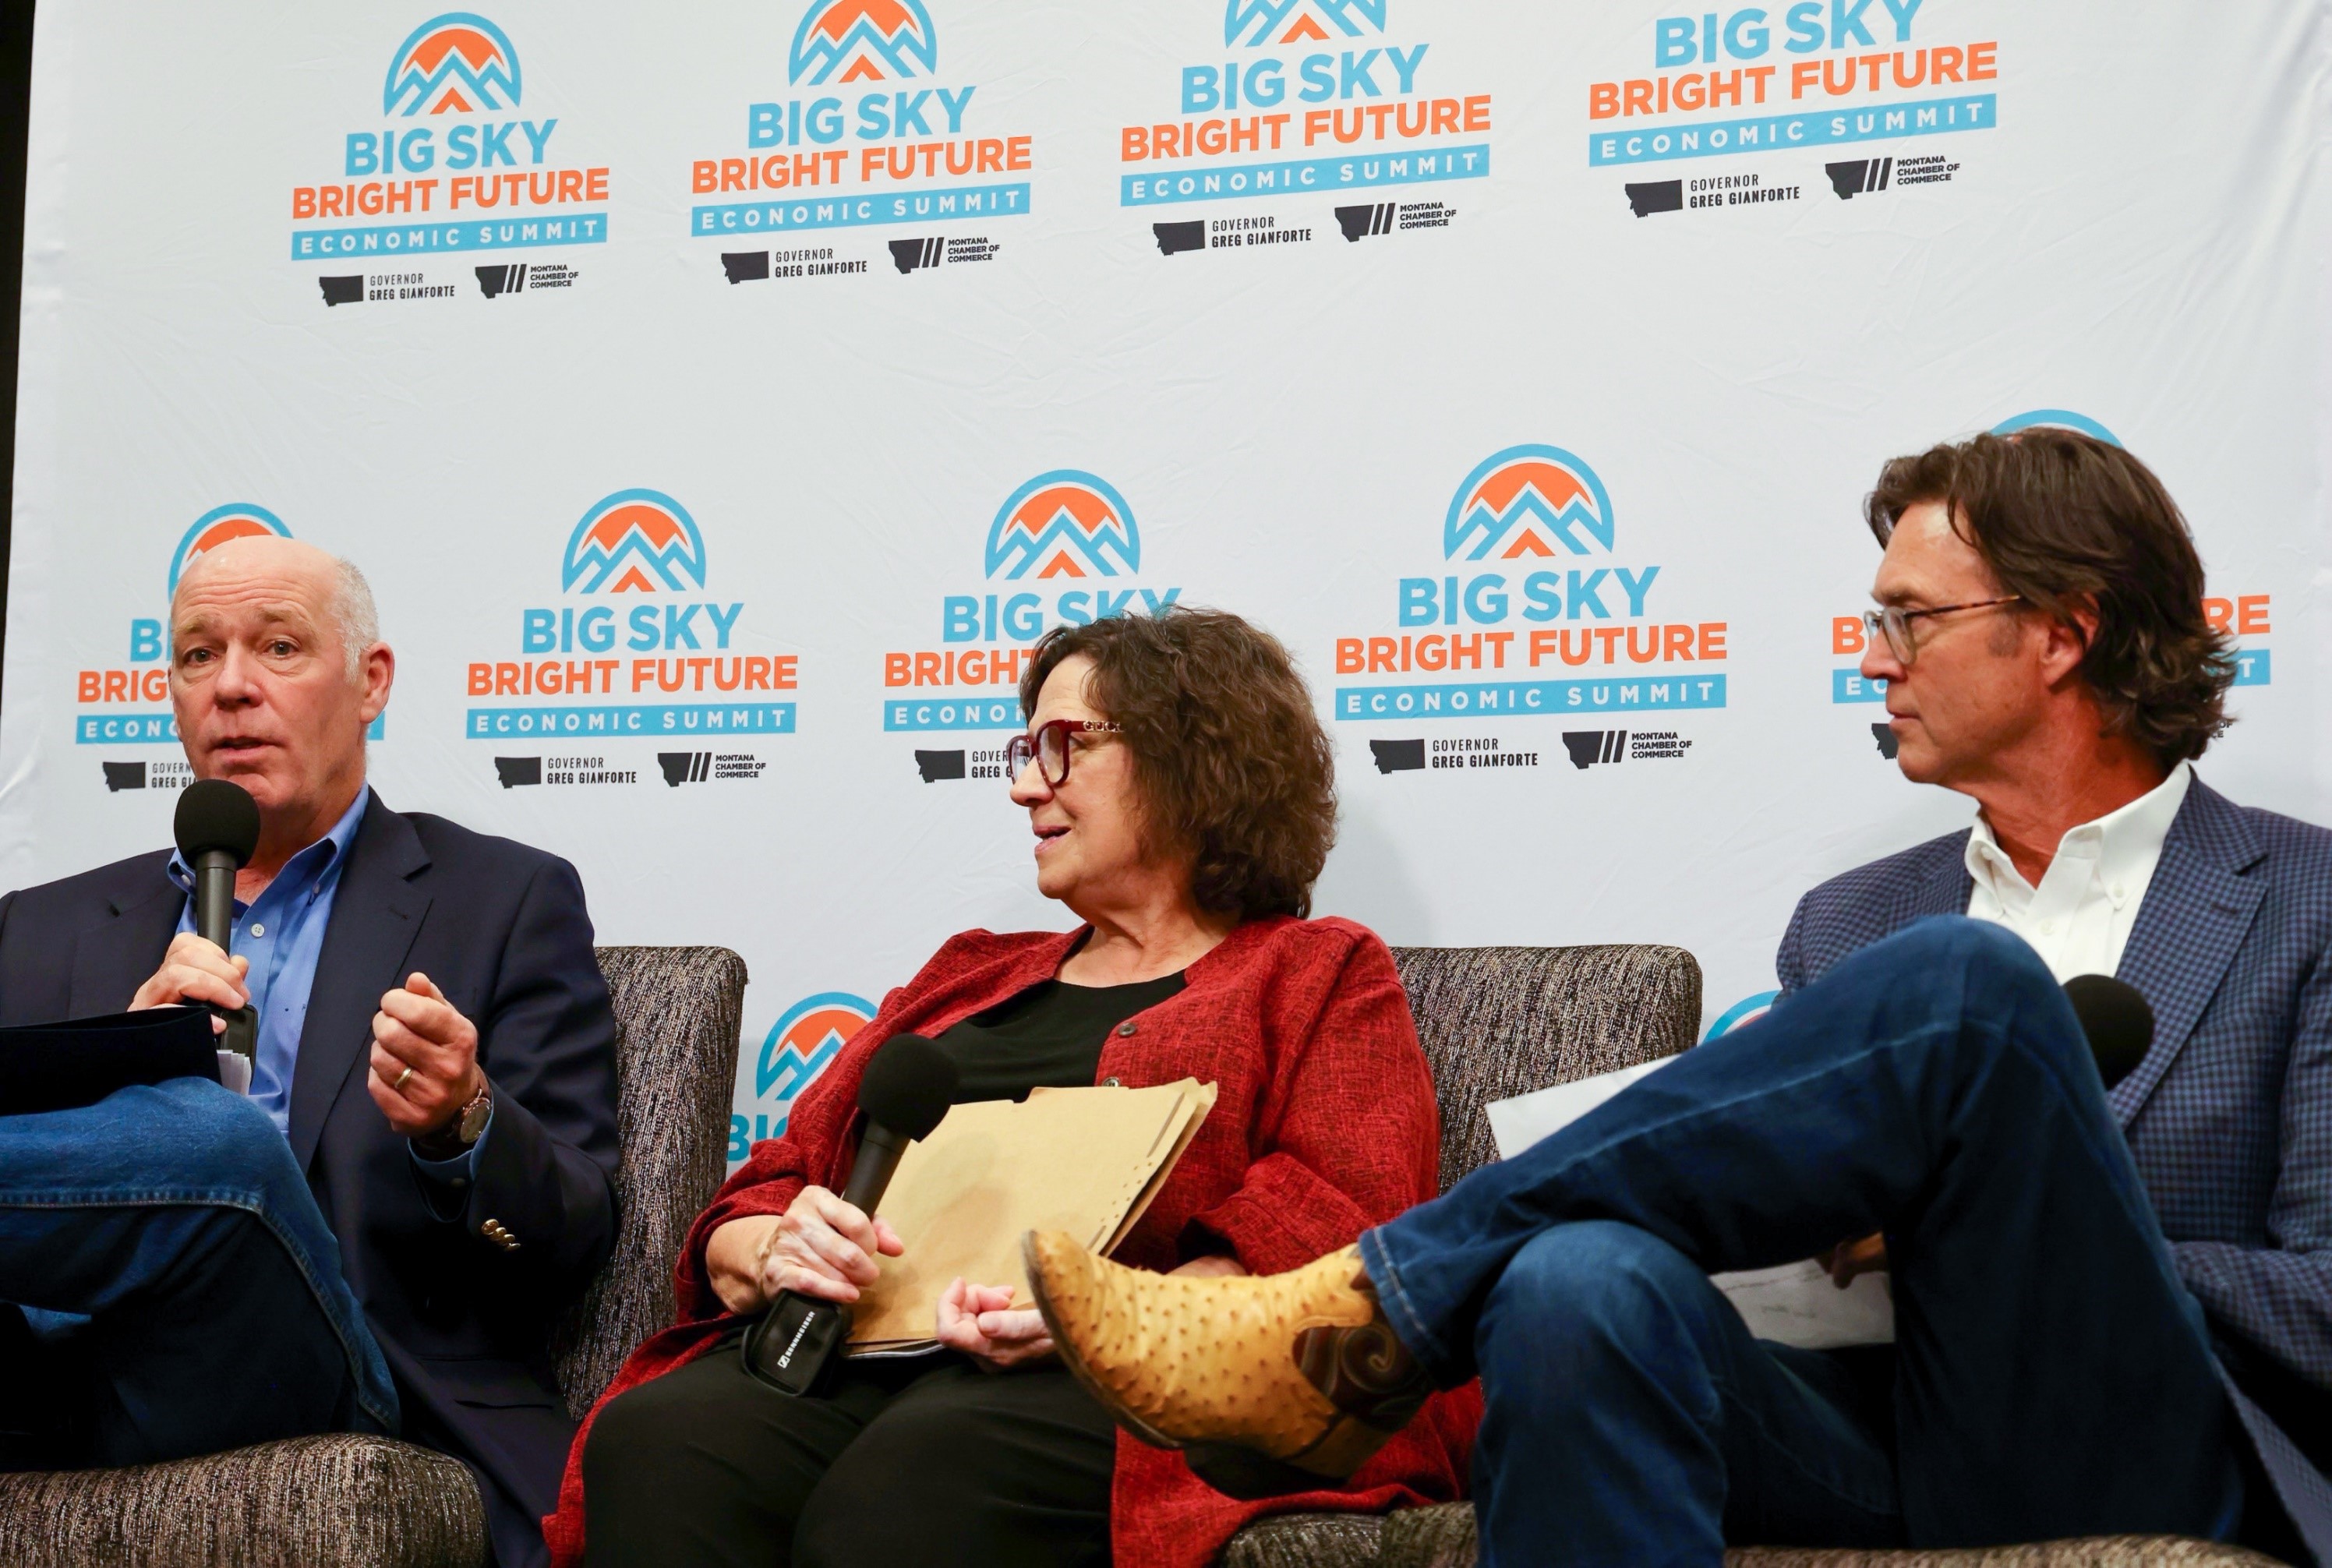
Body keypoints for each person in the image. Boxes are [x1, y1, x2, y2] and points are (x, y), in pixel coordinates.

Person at [1021, 431, 2332, 1567]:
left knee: (1972, 987)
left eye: (1910, 619)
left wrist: (1995, 1225)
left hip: (2146, 1435)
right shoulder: (1849, 921)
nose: (1873, 660)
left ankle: (1376, 1301)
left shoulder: (2306, 904)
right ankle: (1395, 1309)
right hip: (1877, 1430)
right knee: (1572, 1283)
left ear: (2062, 634)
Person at [549, 607, 1478, 1568]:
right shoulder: (968, 970)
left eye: (1063, 745)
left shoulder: (1314, 970)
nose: (1024, 783)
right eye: (1026, 749)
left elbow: (1343, 1213)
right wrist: (777, 1244)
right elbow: (769, 1182)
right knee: (660, 1441)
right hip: (864, 1353)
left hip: (1129, 1381)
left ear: (1192, 758)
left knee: (921, 1473)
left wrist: (1116, 1312)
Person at [0, 535, 620, 1568]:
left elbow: (577, 1233)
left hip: (340, 1370)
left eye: (279, 647)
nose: (232, 687)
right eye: (199, 655)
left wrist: (465, 1123)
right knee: (185, 1129)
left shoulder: (501, 900)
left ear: (371, 682)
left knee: (225, 1145)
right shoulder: (41, 925)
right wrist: (118, 1062)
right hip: (52, 1377)